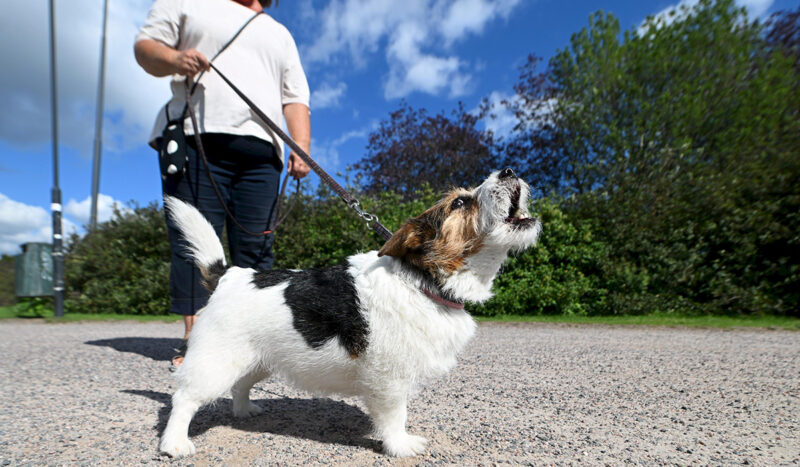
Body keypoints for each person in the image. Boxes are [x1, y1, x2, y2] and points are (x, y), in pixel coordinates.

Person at [134, 0, 311, 369]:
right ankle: (197, 338)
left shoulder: (279, 32)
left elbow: (294, 96)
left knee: (258, 248)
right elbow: (146, 48)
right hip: (196, 138)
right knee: (196, 242)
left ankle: (255, 341)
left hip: (263, 153)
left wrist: (302, 147)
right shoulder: (187, 3)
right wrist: (175, 59)